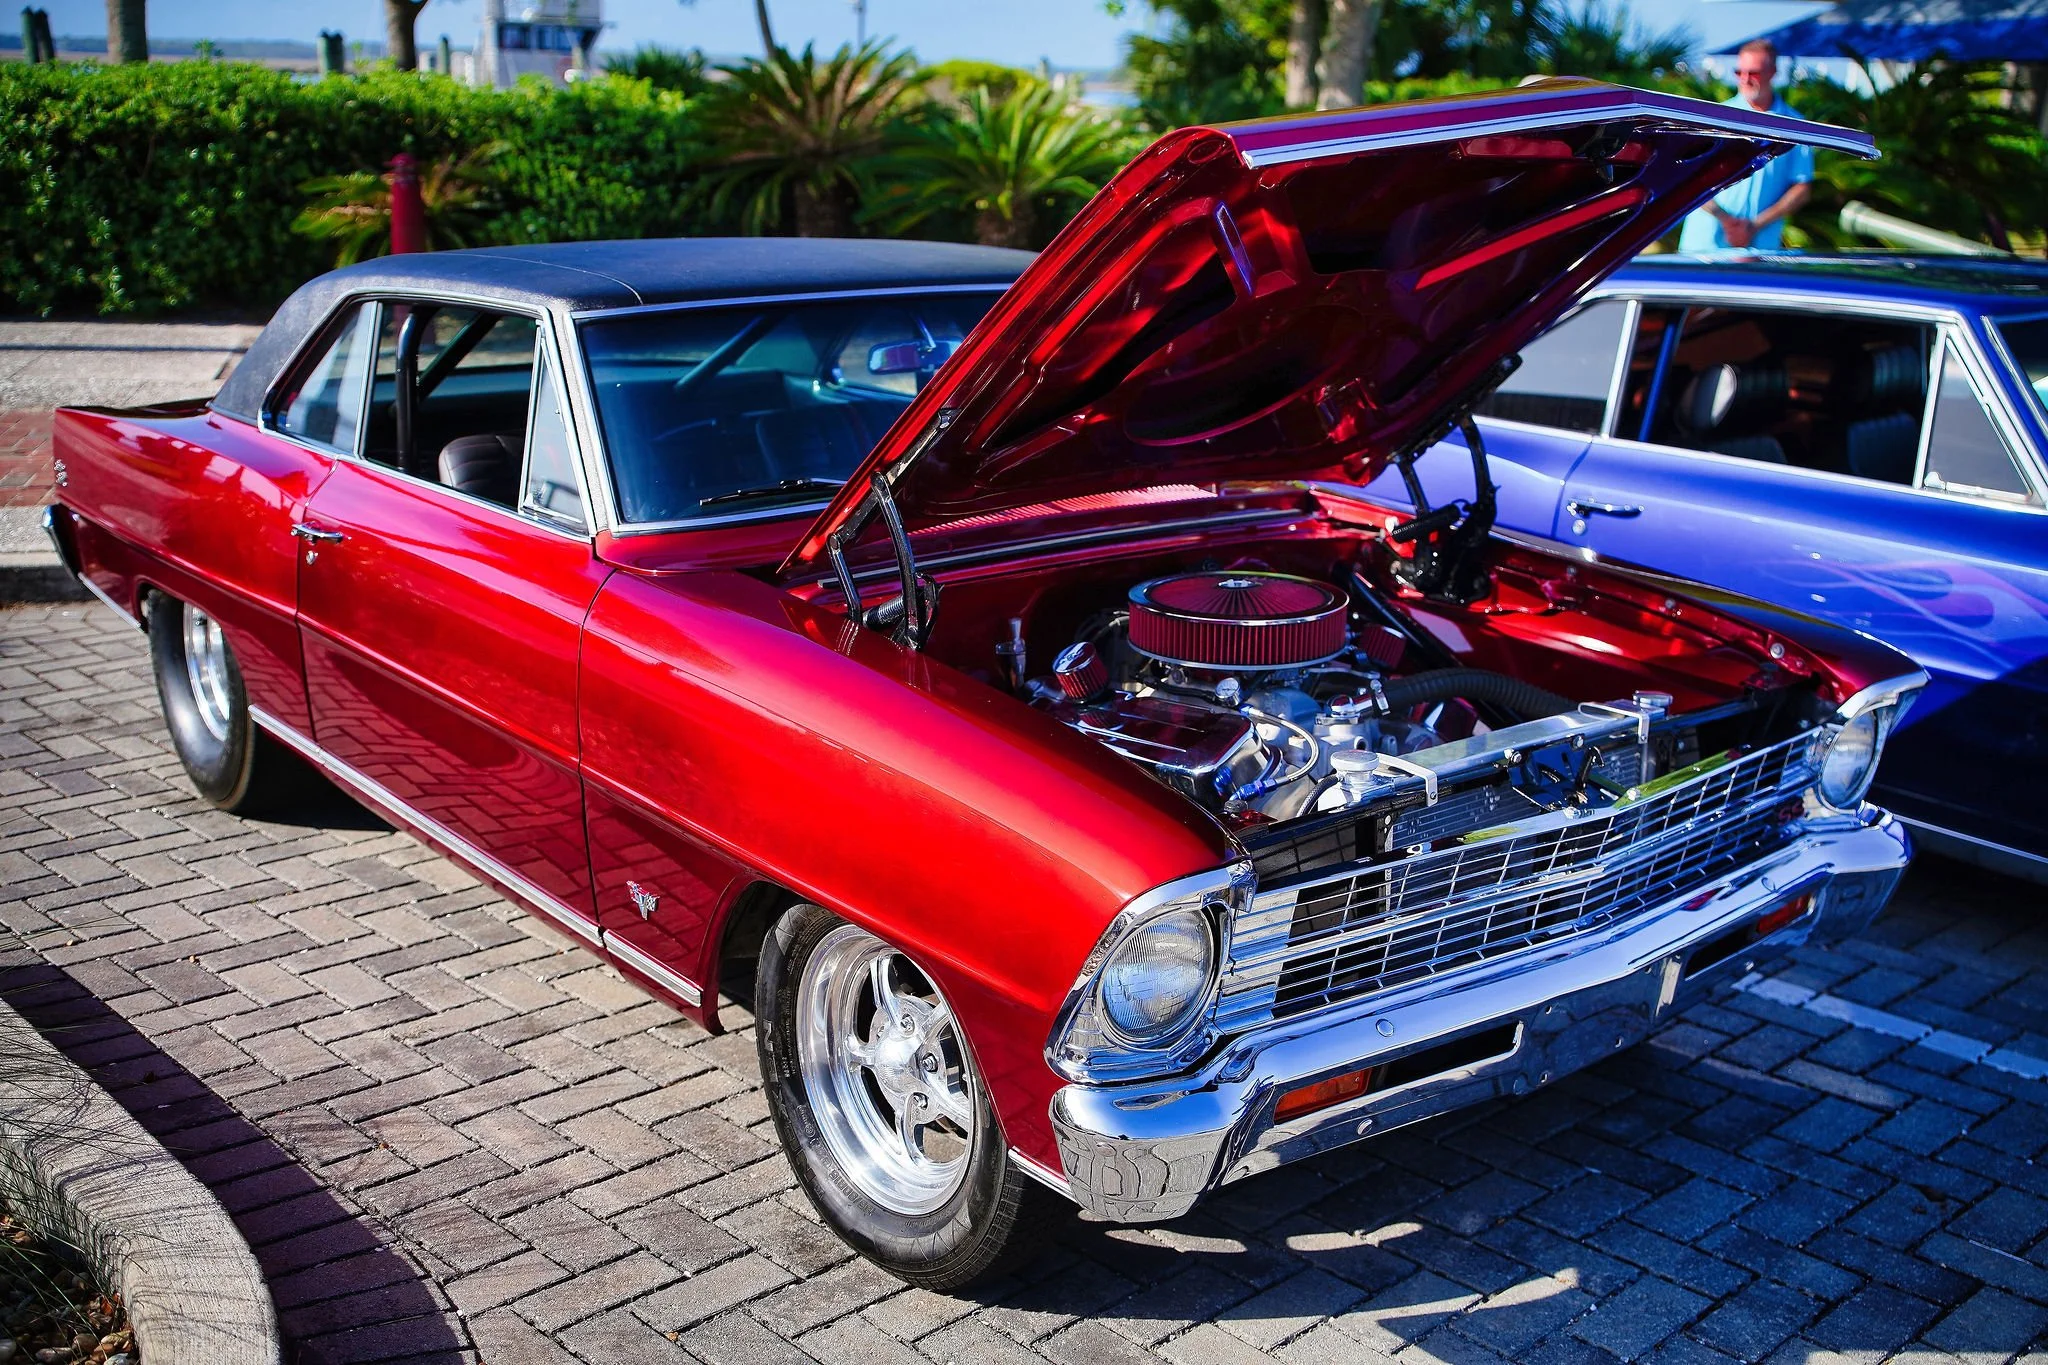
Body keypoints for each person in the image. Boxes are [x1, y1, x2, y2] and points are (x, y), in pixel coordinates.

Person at [1677, 39, 1814, 253]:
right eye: (1739, 72)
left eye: (1754, 73)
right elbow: (1689, 176)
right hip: (1704, 245)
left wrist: (1755, 226)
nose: (1745, 79)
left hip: (1760, 248)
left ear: (1773, 72)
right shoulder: (1715, 118)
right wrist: (1726, 220)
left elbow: (1801, 187)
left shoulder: (1794, 125)